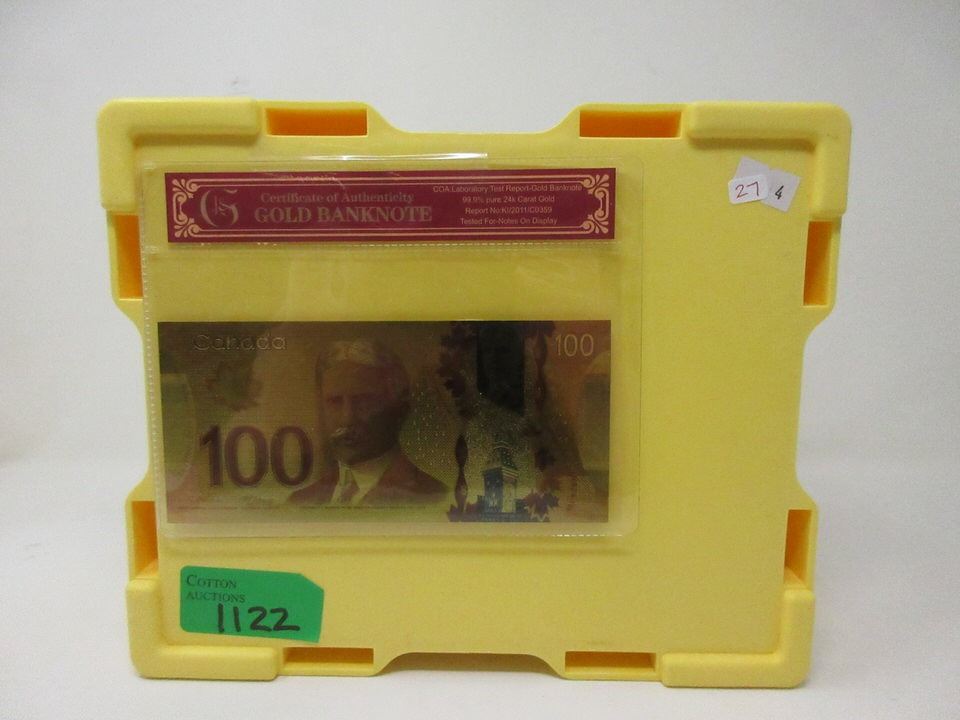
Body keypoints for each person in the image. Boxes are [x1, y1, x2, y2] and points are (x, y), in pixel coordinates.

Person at [288, 339, 446, 506]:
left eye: (364, 401)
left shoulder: (435, 498)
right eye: (335, 401)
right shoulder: (298, 502)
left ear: (398, 407)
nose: (347, 418)